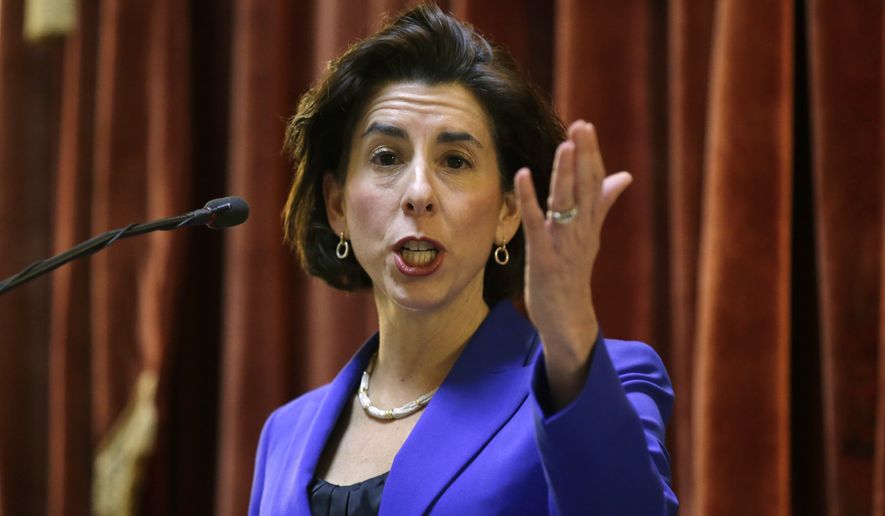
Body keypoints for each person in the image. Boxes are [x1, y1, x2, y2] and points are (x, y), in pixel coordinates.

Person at [249, 4, 677, 515]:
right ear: (337, 205)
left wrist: (567, 336)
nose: (419, 192)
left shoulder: (597, 382)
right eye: (386, 157)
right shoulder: (284, 434)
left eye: (455, 161)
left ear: (507, 212)